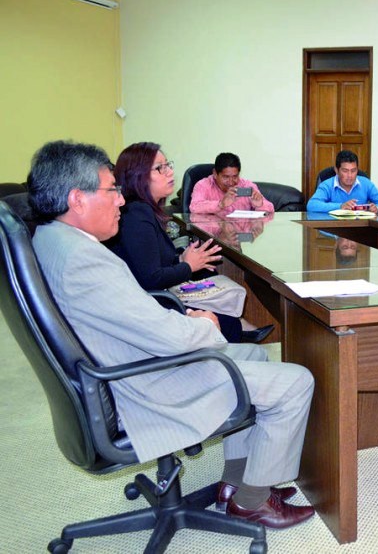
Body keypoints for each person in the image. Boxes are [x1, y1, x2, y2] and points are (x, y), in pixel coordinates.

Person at [28, 140, 316, 530]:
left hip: (125, 363)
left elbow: (134, 316)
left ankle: (234, 485)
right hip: (147, 383)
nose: (121, 201)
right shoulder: (84, 261)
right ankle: (252, 502)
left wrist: (193, 322)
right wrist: (204, 324)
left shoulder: (51, 240)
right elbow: (171, 338)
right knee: (296, 382)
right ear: (77, 199)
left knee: (258, 356)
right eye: (112, 190)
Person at [111, 142, 273, 344]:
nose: (170, 172)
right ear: (138, 176)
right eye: (160, 168)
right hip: (156, 305)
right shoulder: (137, 214)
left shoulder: (145, 210)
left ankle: (240, 325)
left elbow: (151, 259)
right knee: (224, 317)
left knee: (208, 267)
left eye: (168, 165)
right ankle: (239, 329)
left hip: (161, 289)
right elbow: (150, 278)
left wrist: (182, 258)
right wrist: (187, 265)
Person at [307, 150, 378, 214]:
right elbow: (312, 205)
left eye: (353, 170)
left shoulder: (365, 183)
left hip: (359, 230)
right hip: (334, 229)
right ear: (336, 170)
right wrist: (340, 206)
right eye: (345, 171)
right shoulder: (327, 185)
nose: (350, 175)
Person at [189, 152, 274, 215]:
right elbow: (194, 207)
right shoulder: (203, 185)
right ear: (215, 173)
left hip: (240, 235)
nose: (231, 182)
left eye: (235, 176)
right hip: (214, 236)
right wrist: (220, 204)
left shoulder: (247, 186)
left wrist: (260, 205)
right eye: (226, 177)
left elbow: (270, 209)